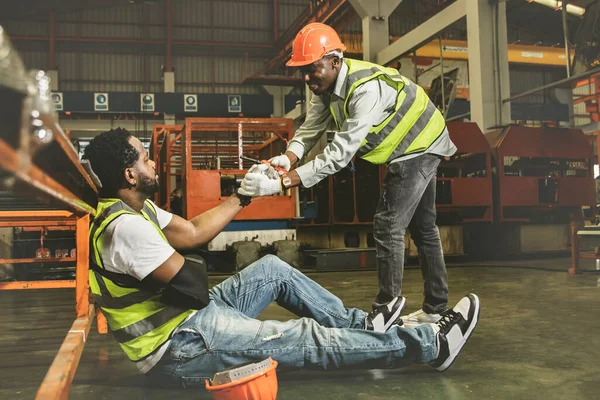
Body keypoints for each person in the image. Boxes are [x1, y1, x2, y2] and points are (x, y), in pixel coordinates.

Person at [82, 128, 479, 388]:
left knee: (272, 269)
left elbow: (192, 233)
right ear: (130, 175)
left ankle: (364, 325)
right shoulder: (125, 228)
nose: (152, 162)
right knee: (303, 337)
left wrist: (243, 194)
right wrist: (231, 320)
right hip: (178, 348)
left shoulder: (137, 210)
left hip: (190, 317)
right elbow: (192, 283)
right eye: (144, 158)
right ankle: (431, 345)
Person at [260, 23, 457, 329]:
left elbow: (339, 154)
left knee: (388, 223)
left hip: (418, 145)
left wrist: (286, 181)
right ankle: (435, 308)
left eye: (312, 69)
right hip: (420, 143)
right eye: (303, 71)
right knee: (423, 227)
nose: (307, 78)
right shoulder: (325, 89)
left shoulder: (364, 89)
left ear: (335, 61)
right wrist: (288, 158)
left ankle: (387, 308)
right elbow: (311, 129)